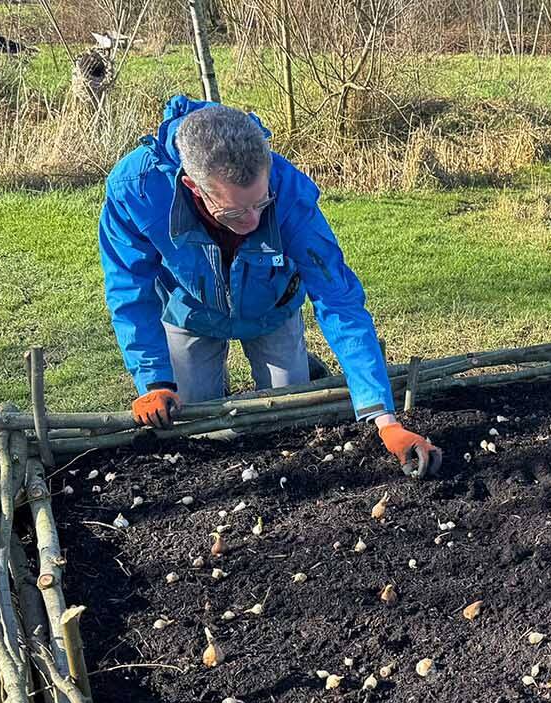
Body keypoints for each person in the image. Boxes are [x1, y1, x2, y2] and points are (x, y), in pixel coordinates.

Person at [98, 94, 441, 477]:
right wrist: (154, 379)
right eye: (234, 211)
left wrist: (384, 419)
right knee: (195, 428)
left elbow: (337, 296)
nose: (252, 220)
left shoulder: (288, 190)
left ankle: (305, 369)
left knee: (288, 422)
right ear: (194, 187)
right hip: (188, 310)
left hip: (272, 307)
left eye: (261, 203)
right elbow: (130, 289)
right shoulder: (138, 190)